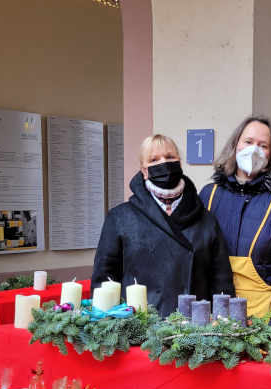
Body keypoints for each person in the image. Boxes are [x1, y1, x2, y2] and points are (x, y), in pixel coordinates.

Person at [91, 134, 234, 316]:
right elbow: (104, 278)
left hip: (194, 330)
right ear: (144, 171)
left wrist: (224, 323)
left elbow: (221, 280)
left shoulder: (206, 220)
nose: (163, 163)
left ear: (180, 164)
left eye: (169, 157)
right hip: (138, 328)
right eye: (154, 159)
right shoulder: (120, 218)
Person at [199, 116, 271, 331]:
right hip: (212, 318)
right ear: (236, 145)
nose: (254, 149)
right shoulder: (209, 195)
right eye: (248, 142)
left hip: (263, 319)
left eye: (263, 145)